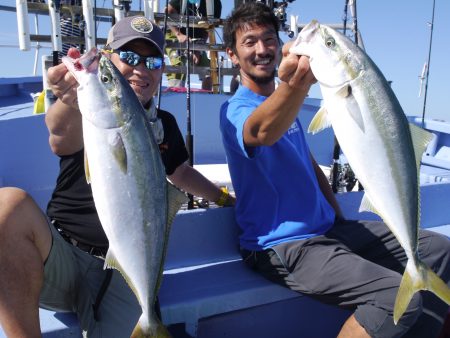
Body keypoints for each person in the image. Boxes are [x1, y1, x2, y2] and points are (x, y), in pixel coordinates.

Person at [220, 3, 450, 338]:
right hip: (282, 246)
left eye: (268, 39)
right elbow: (261, 133)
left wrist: (338, 218)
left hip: (327, 231)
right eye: (249, 42)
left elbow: (308, 165)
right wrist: (297, 82)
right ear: (232, 55)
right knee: (392, 298)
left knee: (439, 251)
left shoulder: (290, 107)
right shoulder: (234, 110)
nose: (262, 49)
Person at [0, 15, 233, 337]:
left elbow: (179, 172)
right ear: (109, 57)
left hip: (126, 271)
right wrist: (69, 99)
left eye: (152, 61)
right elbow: (59, 137)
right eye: (129, 57)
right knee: (5, 205)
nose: (141, 68)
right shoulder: (87, 106)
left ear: (161, 70)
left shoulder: (164, 123)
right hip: (61, 257)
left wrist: (223, 198)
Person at [165, 0, 222, 90]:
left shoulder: (216, 3)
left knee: (209, 70)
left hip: (196, 38)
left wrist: (198, 48)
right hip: (174, 33)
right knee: (179, 63)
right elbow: (168, 12)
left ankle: (207, 97)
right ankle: (174, 93)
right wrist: (179, 34)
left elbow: (209, 28)